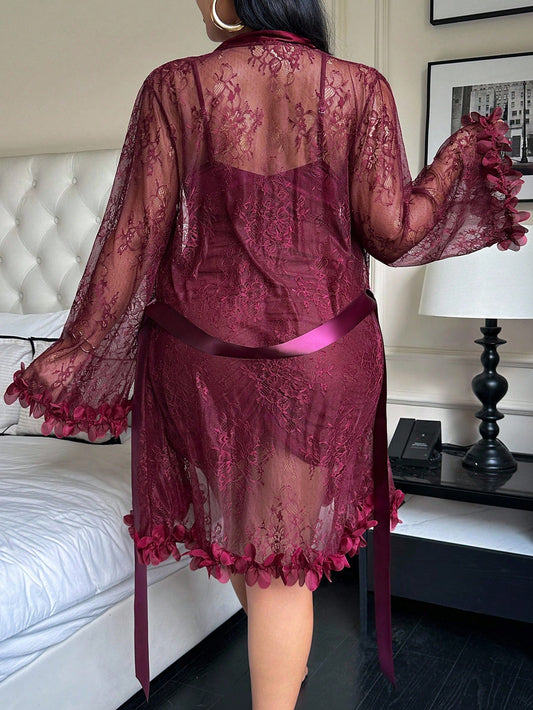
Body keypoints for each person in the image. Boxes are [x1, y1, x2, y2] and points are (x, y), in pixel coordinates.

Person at [4, 1, 530, 708]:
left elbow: (132, 240)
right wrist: (460, 158)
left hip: (200, 356)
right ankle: (281, 676)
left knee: (254, 541)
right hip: (321, 353)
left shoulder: (173, 86)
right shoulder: (359, 88)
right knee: (278, 555)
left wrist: (78, 352)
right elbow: (394, 233)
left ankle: (280, 672)